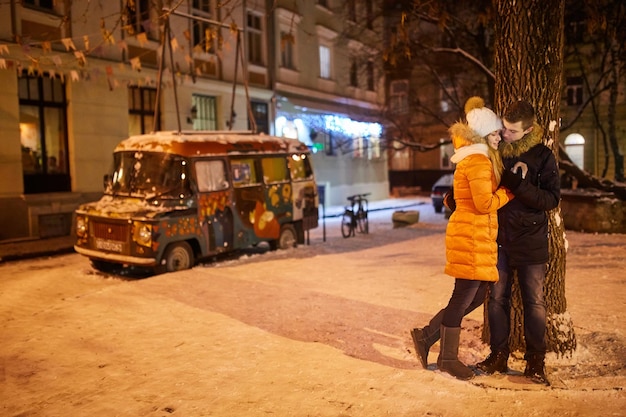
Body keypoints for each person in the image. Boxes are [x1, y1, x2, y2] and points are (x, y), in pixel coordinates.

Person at [410, 97, 512, 380]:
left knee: (476, 294)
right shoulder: (478, 161)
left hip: (472, 234)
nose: (499, 137)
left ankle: (426, 336)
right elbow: (483, 204)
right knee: (463, 297)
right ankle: (447, 358)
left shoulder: (473, 159)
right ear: (482, 135)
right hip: (471, 235)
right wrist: (508, 192)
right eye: (494, 133)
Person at [476, 99, 560, 386]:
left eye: (512, 131)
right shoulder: (494, 150)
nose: (505, 134)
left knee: (534, 302)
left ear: (529, 130)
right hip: (498, 239)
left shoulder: (542, 156)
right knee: (496, 299)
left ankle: (536, 361)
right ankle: (499, 354)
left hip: (531, 241)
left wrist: (517, 185)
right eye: (504, 128)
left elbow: (551, 199)